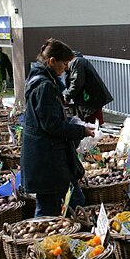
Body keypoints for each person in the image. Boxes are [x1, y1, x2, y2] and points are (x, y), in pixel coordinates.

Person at [21, 38, 94, 217]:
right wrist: (80, 131)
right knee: (59, 203)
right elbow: (51, 125)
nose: (67, 68)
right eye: (65, 63)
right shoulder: (44, 86)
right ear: (52, 61)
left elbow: (49, 120)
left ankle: (49, 238)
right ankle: (42, 241)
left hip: (45, 155)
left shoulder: (40, 81)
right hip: (47, 157)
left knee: (50, 203)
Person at [63, 51, 113, 125]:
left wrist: (67, 97)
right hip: (91, 100)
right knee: (94, 125)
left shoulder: (76, 62)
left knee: (92, 126)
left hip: (90, 101)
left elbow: (76, 83)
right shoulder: (78, 62)